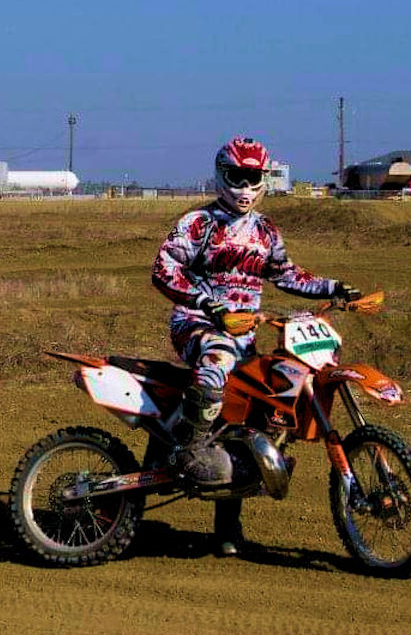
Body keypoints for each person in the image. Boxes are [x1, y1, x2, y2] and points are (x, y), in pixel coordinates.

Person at [151, 137, 361, 557]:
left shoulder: (265, 231)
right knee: (218, 363)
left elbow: (287, 275)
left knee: (252, 422)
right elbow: (163, 268)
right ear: (221, 175)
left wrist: (334, 287)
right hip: (198, 326)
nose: (245, 187)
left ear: (264, 180)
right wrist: (207, 303)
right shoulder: (199, 223)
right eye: (237, 177)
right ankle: (190, 453)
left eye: (254, 178)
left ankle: (228, 528)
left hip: (245, 335)